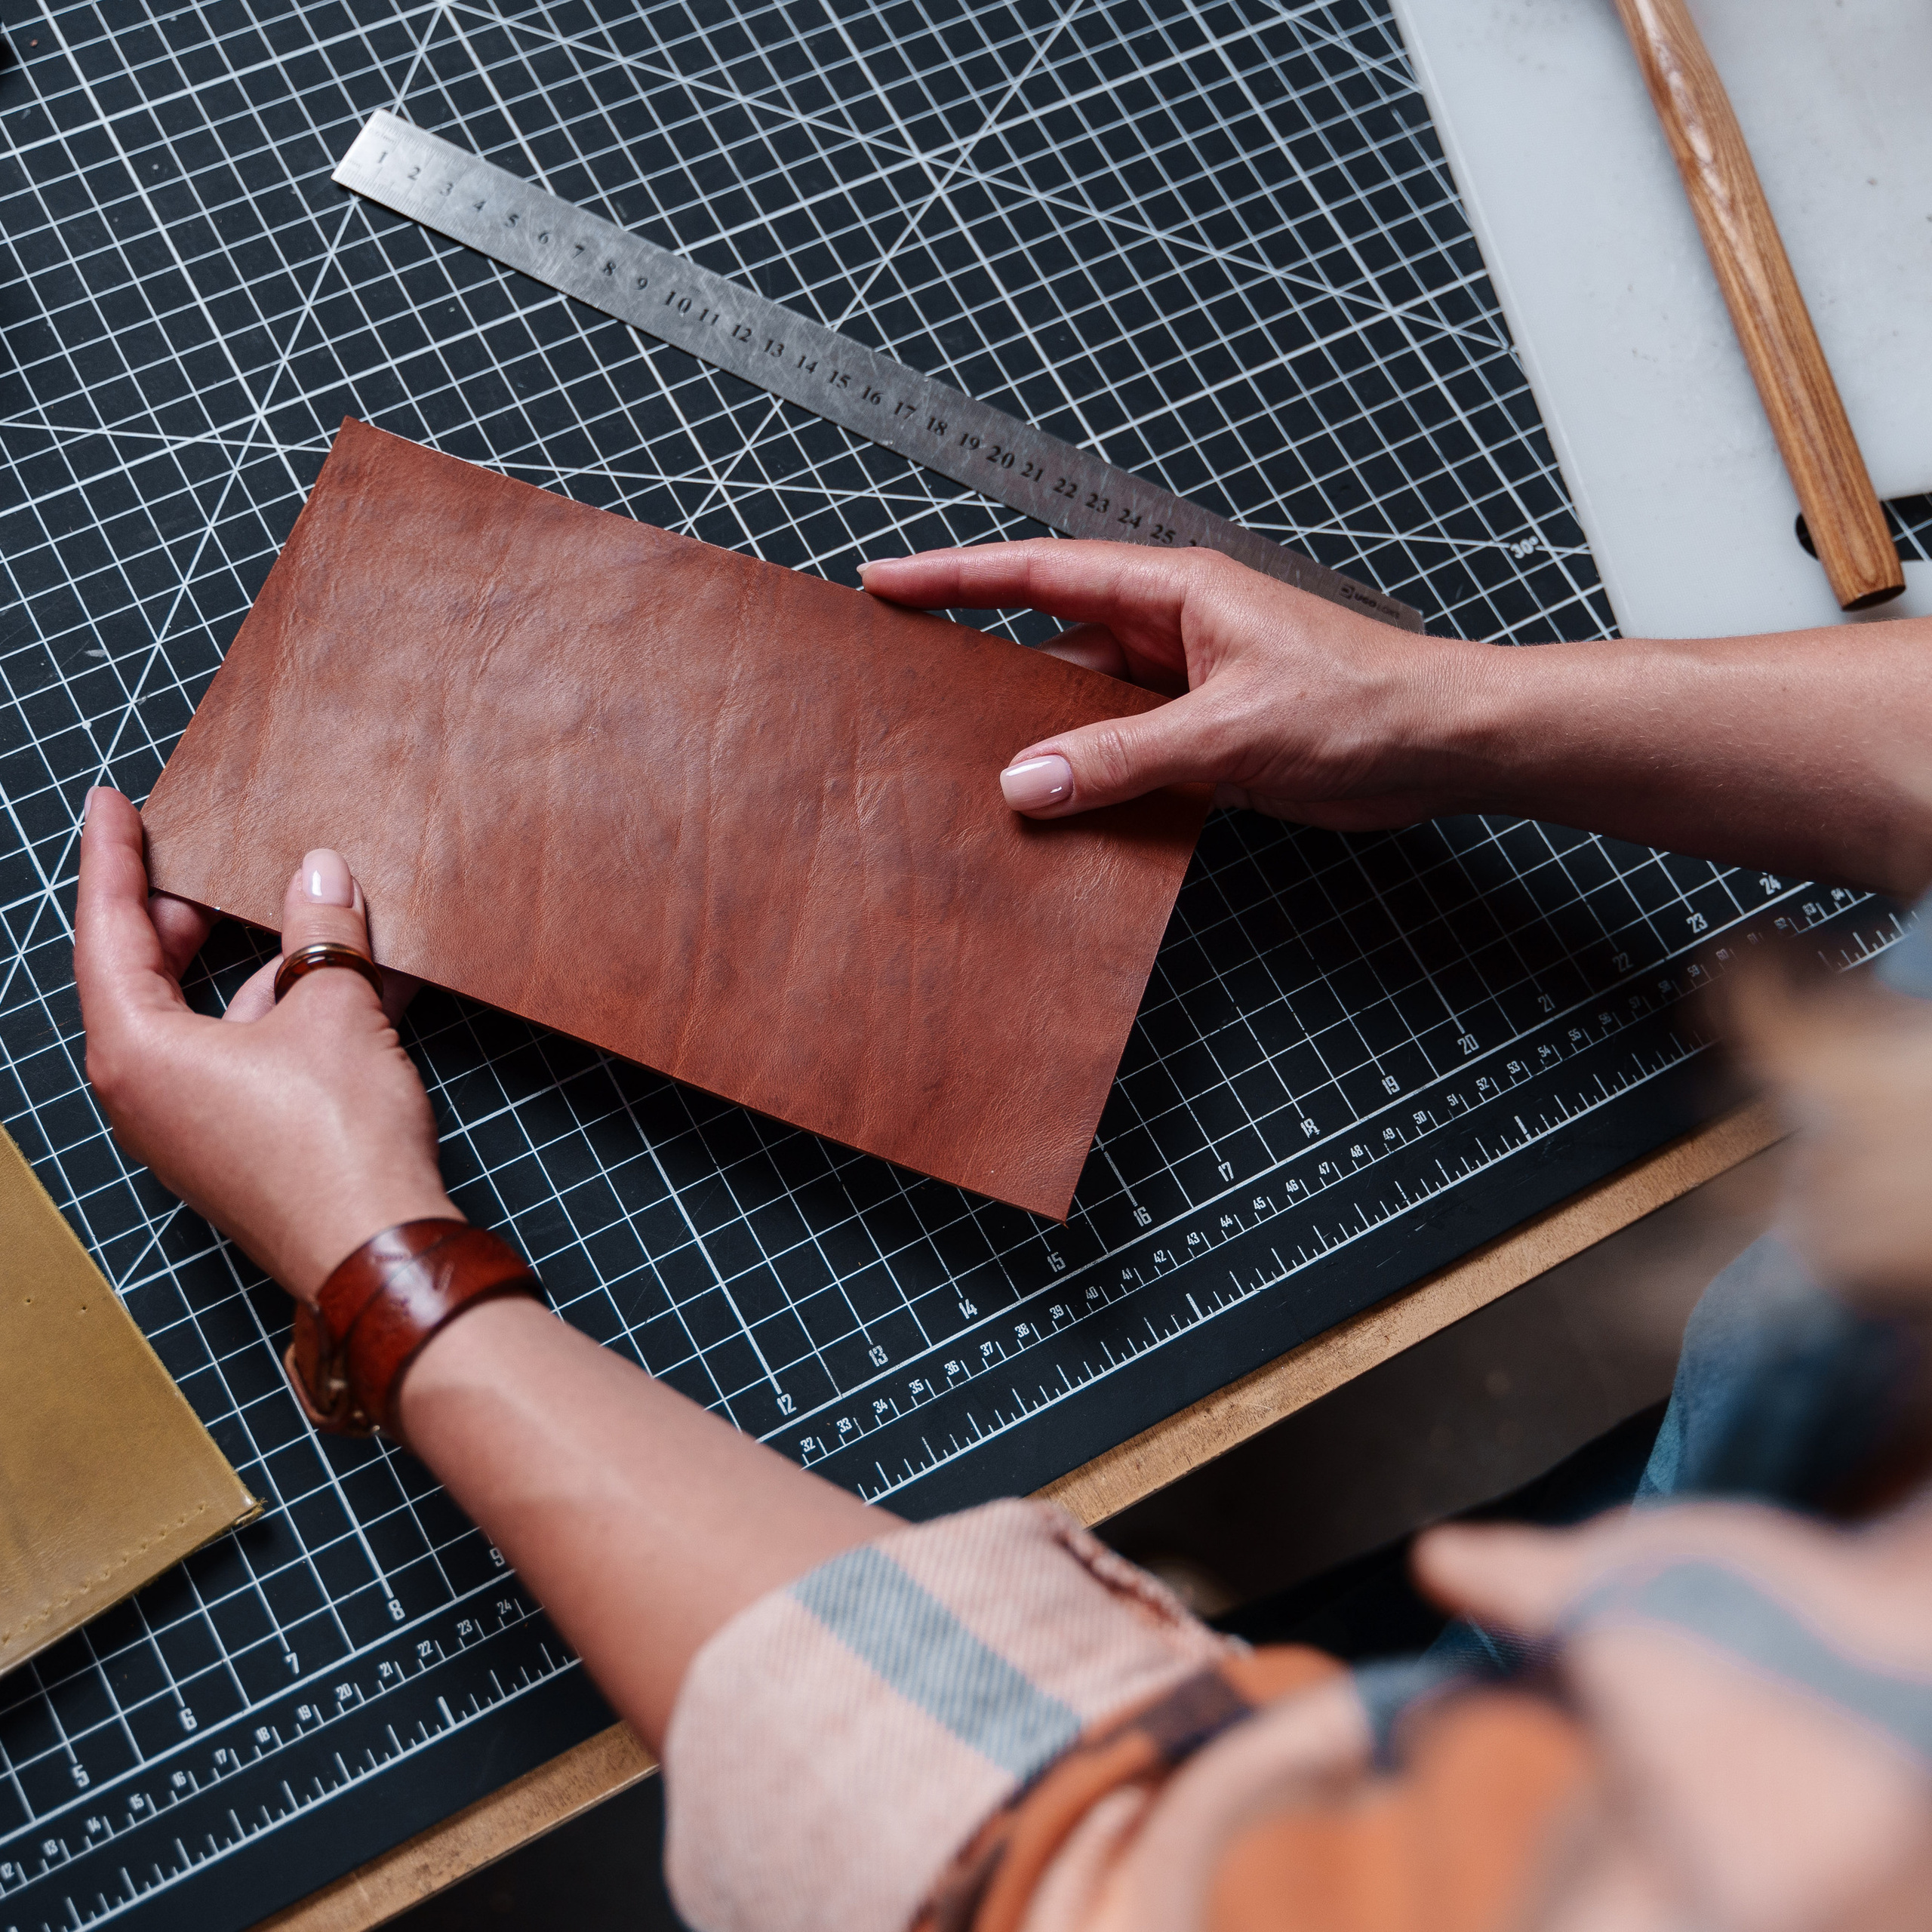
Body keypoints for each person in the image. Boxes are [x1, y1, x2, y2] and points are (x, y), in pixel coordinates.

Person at [73, 541, 1932, 1931]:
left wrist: (386, 1260)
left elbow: (1057, 1867)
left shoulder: (1816, 1823)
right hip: (1740, 1496)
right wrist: (1437, 705)